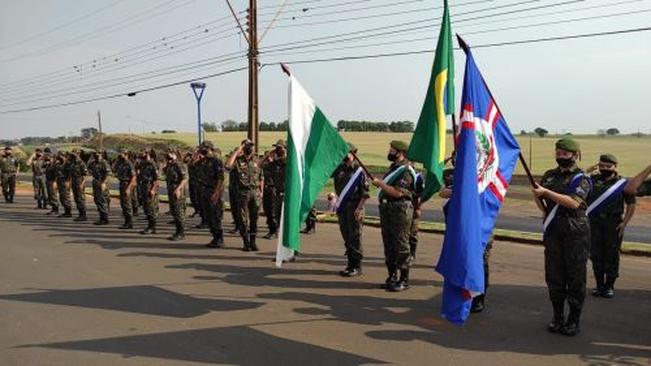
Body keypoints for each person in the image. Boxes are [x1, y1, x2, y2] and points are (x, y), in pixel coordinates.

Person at [532, 137, 591, 337]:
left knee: (575, 278)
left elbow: (574, 203)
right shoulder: (549, 175)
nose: (561, 157)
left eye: (565, 154)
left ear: (575, 155)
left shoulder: (582, 178)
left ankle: (573, 320)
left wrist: (546, 193)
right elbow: (541, 200)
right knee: (554, 277)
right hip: (554, 230)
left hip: (575, 229)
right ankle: (557, 317)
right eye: (558, 153)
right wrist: (541, 201)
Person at [439, 161, 492, 313]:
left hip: (479, 224)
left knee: (480, 262)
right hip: (457, 224)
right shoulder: (450, 173)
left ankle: (478, 297)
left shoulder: (485, 171)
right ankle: (460, 294)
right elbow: (442, 192)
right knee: (458, 259)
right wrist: (460, 188)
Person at [586, 154, 636, 298]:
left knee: (611, 255)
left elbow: (631, 204)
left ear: (615, 166)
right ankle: (599, 285)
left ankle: (609, 286)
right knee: (595, 254)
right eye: (602, 166)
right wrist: (587, 171)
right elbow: (578, 185)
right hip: (594, 222)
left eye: (608, 166)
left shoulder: (622, 183)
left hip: (613, 223)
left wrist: (625, 222)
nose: (605, 168)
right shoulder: (592, 180)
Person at [371, 140, 417, 292]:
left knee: (401, 245)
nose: (390, 152)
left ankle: (404, 279)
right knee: (389, 244)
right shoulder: (394, 168)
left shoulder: (405, 170)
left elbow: (398, 192)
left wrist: (381, 184)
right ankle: (392, 277)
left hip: (400, 209)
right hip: (387, 208)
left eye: (392, 150)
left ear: (400, 153)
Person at [332, 143, 369, 277]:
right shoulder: (339, 168)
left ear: (353, 154)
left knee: (355, 236)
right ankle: (350, 263)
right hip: (342, 207)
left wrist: (359, 209)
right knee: (346, 235)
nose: (343, 155)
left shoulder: (359, 170)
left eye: (346, 153)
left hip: (355, 206)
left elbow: (365, 193)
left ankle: (357, 266)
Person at [226, 139, 263, 252]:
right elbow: (228, 166)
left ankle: (253, 241)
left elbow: (261, 176)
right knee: (243, 219)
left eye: (251, 145)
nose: (250, 147)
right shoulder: (237, 161)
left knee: (254, 218)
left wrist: (261, 191)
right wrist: (238, 150)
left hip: (255, 192)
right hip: (242, 192)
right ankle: (246, 242)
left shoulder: (256, 160)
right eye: (247, 145)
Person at [196, 141, 225, 248]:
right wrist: (197, 153)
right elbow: (192, 164)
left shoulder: (216, 161)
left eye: (203, 148)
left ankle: (219, 238)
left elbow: (220, 179)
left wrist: (216, 193)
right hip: (204, 191)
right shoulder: (203, 160)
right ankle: (215, 237)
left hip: (213, 191)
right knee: (208, 216)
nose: (201, 150)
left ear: (209, 148)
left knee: (215, 216)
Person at [260, 140, 287, 239]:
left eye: (280, 148)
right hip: (276, 192)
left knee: (284, 216)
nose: (277, 150)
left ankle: (284, 234)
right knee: (272, 213)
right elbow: (260, 165)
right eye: (276, 148)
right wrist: (267, 156)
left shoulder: (290, 162)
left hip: (286, 193)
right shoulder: (275, 163)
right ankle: (273, 231)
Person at [164, 151, 188, 241]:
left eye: (170, 158)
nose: (169, 160)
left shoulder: (179, 165)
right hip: (171, 189)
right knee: (174, 210)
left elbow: (185, 179)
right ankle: (177, 231)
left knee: (178, 211)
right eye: (167, 158)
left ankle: (181, 233)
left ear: (175, 156)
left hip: (177, 189)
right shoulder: (170, 165)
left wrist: (178, 189)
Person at [113, 149, 137, 229]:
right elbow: (113, 169)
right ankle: (126, 222)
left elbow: (133, 177)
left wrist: (128, 188)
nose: (120, 155)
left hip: (127, 184)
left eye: (121, 154)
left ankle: (129, 223)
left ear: (126, 154)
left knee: (127, 204)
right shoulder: (120, 162)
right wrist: (117, 160)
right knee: (123, 203)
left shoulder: (129, 164)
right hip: (122, 184)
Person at [137, 150, 159, 234]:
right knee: (145, 207)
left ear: (148, 154)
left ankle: (152, 227)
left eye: (145, 153)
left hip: (149, 186)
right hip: (143, 186)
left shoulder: (152, 164)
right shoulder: (142, 164)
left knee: (150, 207)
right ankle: (150, 226)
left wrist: (153, 189)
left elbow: (156, 179)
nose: (142, 154)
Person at [88, 150, 112, 225]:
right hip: (96, 182)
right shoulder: (93, 162)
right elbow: (88, 168)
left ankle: (104, 218)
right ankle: (102, 217)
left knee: (102, 200)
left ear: (101, 154)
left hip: (102, 182)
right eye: (95, 153)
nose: (96, 155)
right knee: (97, 200)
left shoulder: (104, 163)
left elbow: (108, 174)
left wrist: (104, 183)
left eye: (98, 153)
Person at [68, 150, 88, 222]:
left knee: (80, 198)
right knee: (76, 198)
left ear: (78, 154)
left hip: (79, 181)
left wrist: (82, 184)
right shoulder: (72, 163)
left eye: (74, 154)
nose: (72, 155)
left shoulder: (81, 163)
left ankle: (83, 215)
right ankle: (80, 214)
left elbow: (85, 175)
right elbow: (70, 174)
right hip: (74, 181)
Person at [54, 152, 73, 218]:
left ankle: (68, 212)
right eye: (59, 156)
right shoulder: (58, 164)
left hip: (65, 182)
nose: (60, 157)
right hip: (60, 181)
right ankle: (66, 211)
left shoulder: (68, 164)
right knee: (62, 197)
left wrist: (68, 181)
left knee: (66, 197)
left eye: (61, 156)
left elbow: (70, 174)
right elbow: (56, 173)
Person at [43, 148, 59, 215]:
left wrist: (55, 182)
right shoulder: (48, 162)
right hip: (48, 181)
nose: (45, 155)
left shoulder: (55, 163)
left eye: (46, 154)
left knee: (53, 195)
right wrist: (47, 162)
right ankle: (53, 209)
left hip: (53, 182)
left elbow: (56, 174)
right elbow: (43, 167)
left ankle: (56, 209)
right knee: (50, 196)